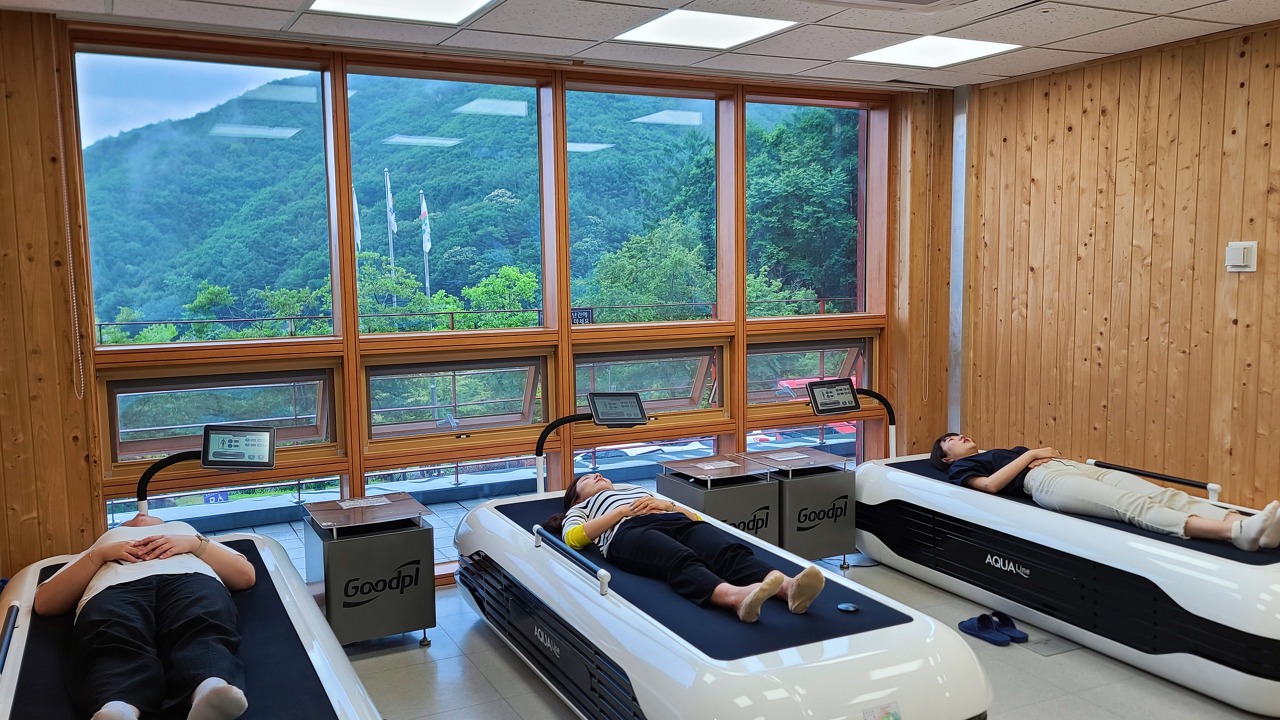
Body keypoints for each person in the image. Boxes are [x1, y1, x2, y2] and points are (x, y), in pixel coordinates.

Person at [33, 513, 257, 720]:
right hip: (115, 587)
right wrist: (100, 554)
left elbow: (245, 575)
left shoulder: (185, 531)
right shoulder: (103, 543)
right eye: (128, 521)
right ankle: (118, 709)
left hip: (189, 578)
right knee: (114, 633)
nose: (141, 515)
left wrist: (194, 544)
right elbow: (45, 602)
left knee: (200, 620)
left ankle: (210, 690)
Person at [544, 473, 826, 623]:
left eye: (599, 474)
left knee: (726, 551)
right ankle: (735, 598)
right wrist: (621, 513)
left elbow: (696, 520)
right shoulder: (582, 508)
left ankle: (788, 587)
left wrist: (667, 505)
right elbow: (574, 538)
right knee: (680, 559)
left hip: (674, 519)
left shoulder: (634, 489)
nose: (597, 476)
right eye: (587, 479)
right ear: (576, 497)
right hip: (629, 532)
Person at [930, 433, 1280, 551]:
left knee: (1163, 494)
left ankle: (1248, 526)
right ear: (947, 458)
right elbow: (990, 486)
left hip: (1071, 468)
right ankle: (1232, 533)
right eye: (951, 440)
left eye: (958, 433)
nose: (959, 437)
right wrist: (1032, 454)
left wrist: (1036, 456)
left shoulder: (994, 451)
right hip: (1045, 483)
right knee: (1132, 506)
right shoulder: (961, 468)